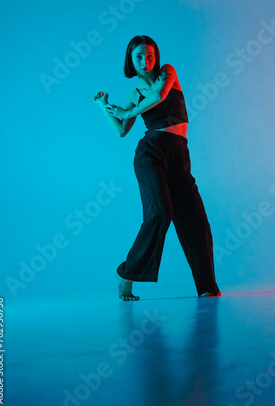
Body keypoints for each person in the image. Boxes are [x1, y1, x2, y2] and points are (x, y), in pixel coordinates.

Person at [94, 35, 221, 301]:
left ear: (156, 57)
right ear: (131, 60)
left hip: (178, 153)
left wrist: (127, 113)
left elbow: (159, 96)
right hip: (150, 153)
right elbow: (120, 132)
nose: (145, 60)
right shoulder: (133, 95)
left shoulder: (168, 73)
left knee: (196, 220)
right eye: (139, 56)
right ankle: (126, 274)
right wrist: (105, 108)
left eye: (150, 55)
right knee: (160, 213)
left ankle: (207, 287)